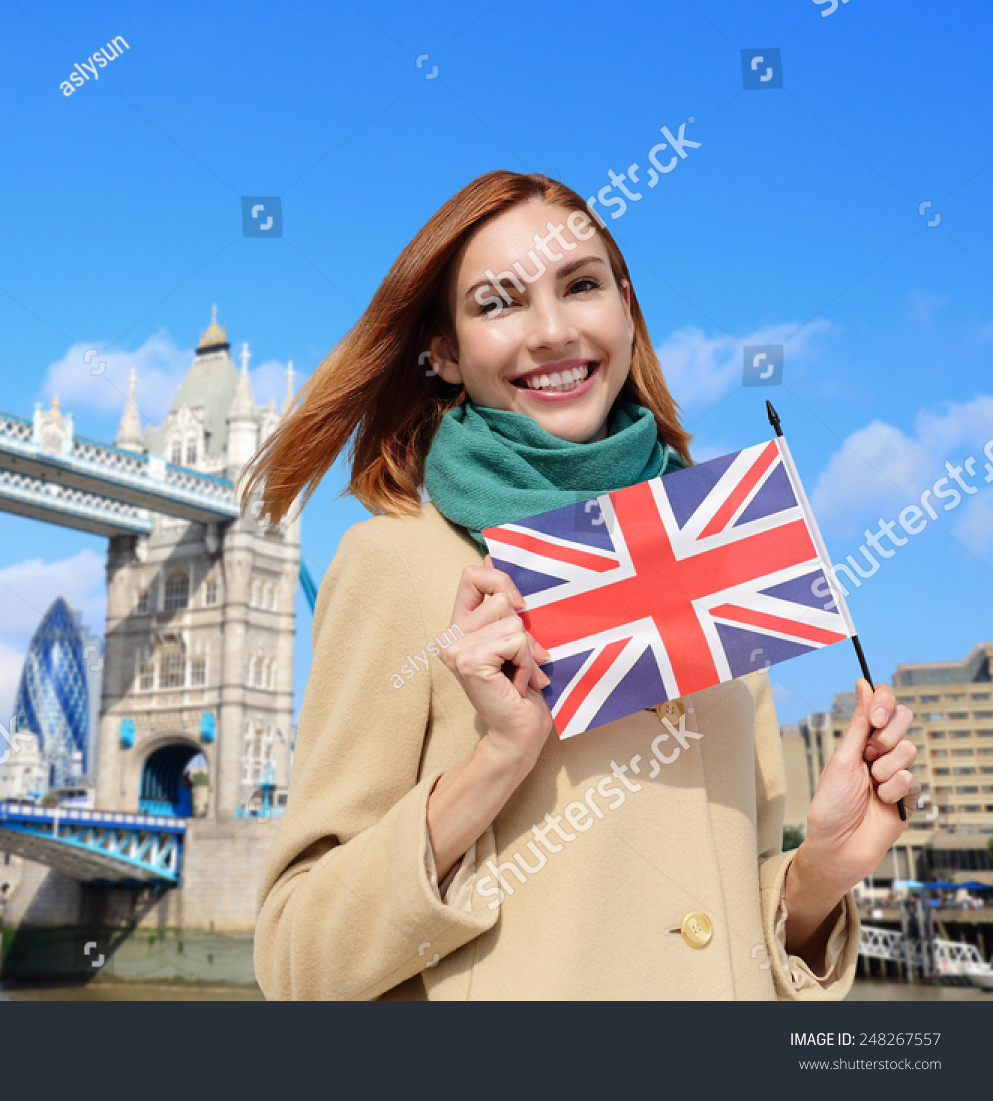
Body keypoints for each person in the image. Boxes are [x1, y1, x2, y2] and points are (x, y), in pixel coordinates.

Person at [241, 171, 919, 1000]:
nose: (553, 331)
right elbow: (295, 963)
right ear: (444, 352)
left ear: (626, 308)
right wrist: (494, 760)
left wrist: (821, 871)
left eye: (582, 286)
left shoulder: (721, 555)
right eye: (499, 302)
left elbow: (728, 924)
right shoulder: (396, 563)